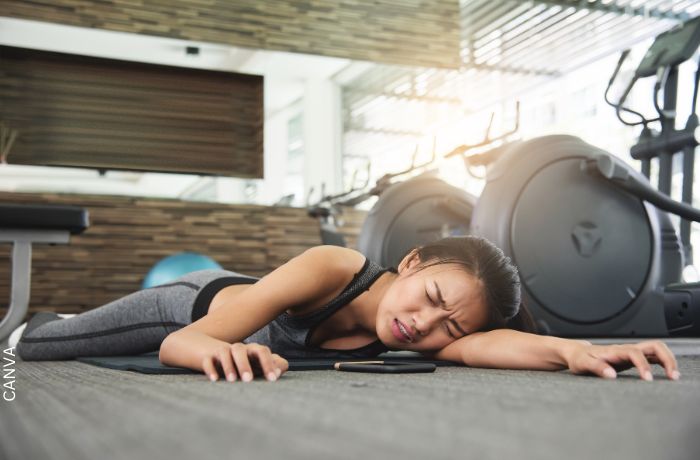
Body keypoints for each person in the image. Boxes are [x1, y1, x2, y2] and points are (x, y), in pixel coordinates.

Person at [16, 236, 680, 383]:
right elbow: (179, 345)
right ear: (414, 261)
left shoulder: (422, 333)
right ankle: (30, 317)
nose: (424, 326)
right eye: (432, 300)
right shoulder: (336, 266)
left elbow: (486, 345)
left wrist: (571, 350)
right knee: (34, 348)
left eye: (449, 326)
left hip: (225, 304)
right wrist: (219, 347)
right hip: (186, 303)